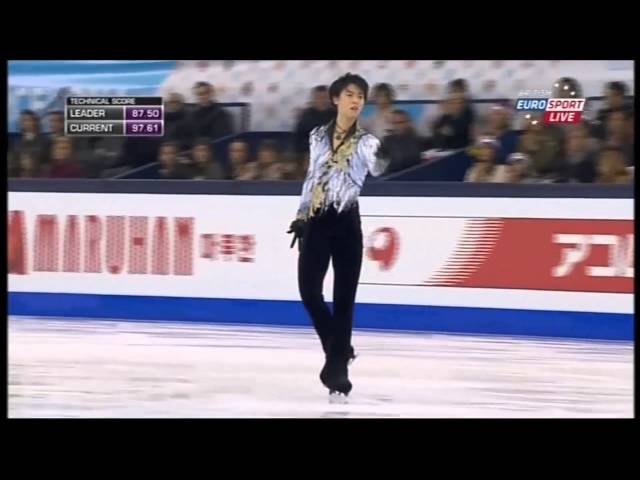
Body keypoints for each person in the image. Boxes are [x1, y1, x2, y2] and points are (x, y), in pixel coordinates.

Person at [286, 73, 389, 401]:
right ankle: (339, 349)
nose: (356, 100)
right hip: (317, 221)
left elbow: (379, 168)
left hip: (346, 223)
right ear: (336, 99)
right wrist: (301, 216)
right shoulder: (317, 135)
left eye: (360, 96)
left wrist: (385, 152)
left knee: (344, 299)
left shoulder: (367, 142)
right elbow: (311, 176)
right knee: (309, 292)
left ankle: (337, 373)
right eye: (350, 94)